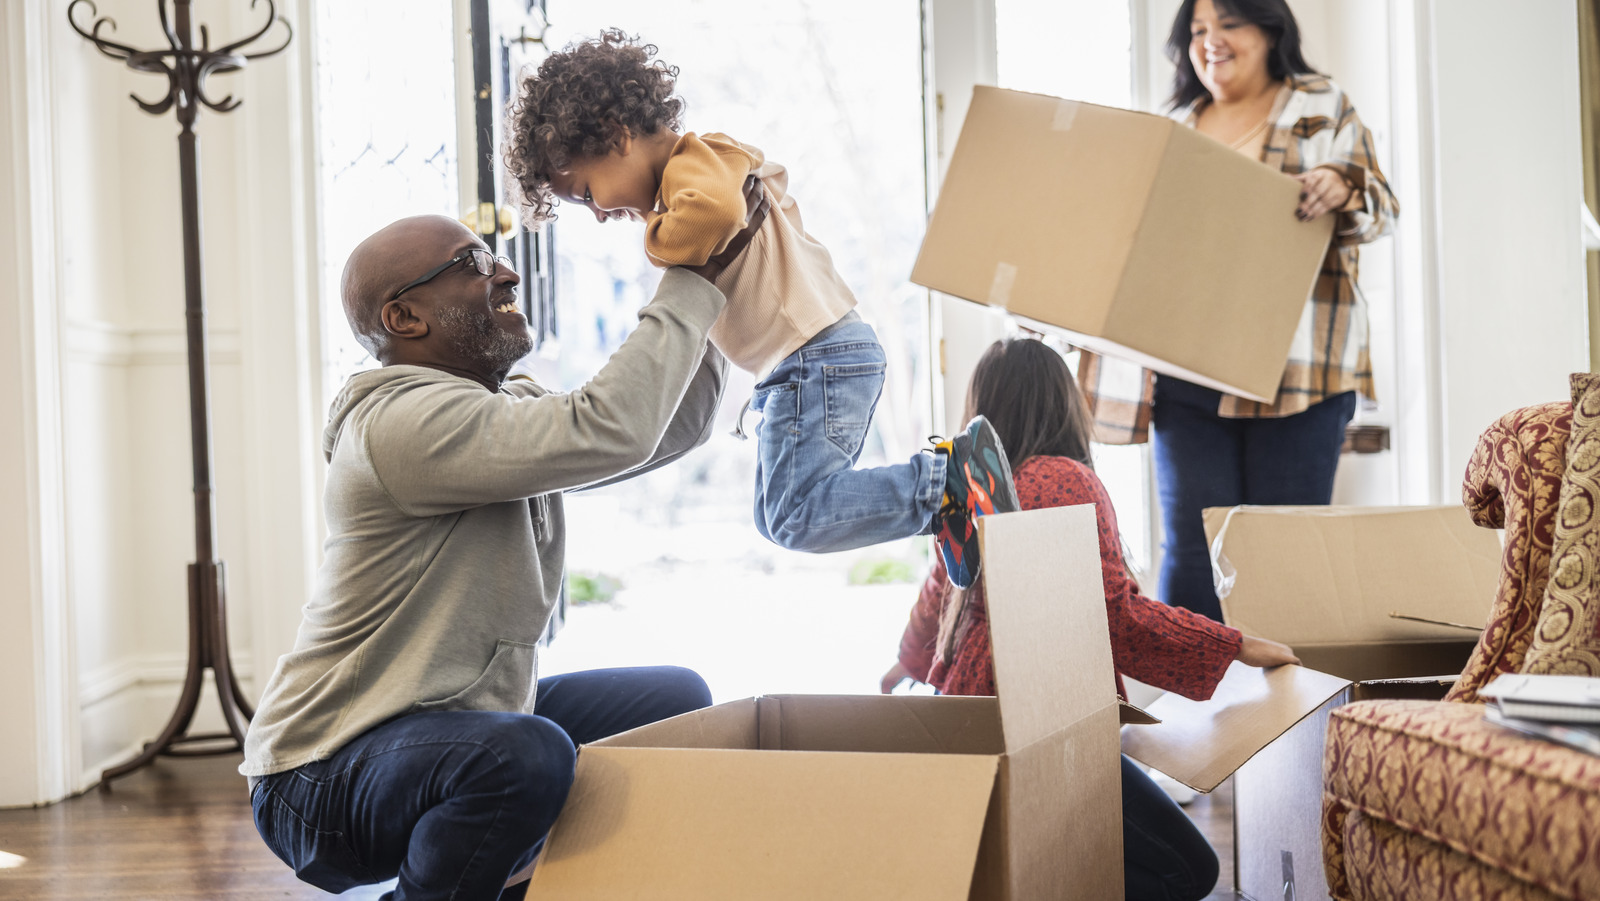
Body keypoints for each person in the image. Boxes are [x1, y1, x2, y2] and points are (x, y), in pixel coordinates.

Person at [241, 199, 766, 901]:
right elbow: (610, 427)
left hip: (439, 724)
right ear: (404, 318)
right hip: (320, 772)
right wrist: (690, 278)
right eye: (472, 264)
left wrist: (712, 284)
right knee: (523, 757)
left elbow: (665, 428)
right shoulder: (398, 423)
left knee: (676, 704)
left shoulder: (495, 407)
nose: (507, 272)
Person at [502, 29, 1017, 589]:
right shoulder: (692, 177)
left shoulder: (696, 164)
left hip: (815, 355)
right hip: (811, 358)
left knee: (796, 514)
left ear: (618, 136)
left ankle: (944, 482)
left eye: (584, 192)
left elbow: (718, 215)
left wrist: (655, 241)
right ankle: (946, 504)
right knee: (777, 518)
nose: (597, 213)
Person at [883, 337, 1301, 901]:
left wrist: (904, 663)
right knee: (1188, 871)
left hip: (976, 719)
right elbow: (1112, 614)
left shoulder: (969, 488)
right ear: (1062, 403)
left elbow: (940, 587)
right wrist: (1234, 645)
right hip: (1040, 729)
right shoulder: (1064, 480)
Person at [1077, 0, 1399, 622]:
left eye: (1228, 23)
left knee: (1285, 557)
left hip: (1300, 372)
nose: (1210, 42)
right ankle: (1195, 710)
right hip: (1186, 370)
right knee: (1193, 553)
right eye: (1197, 31)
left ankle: (1290, 712)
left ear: (1270, 29)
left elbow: (1383, 207)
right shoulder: (1175, 121)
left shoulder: (1320, 103)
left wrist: (1345, 185)